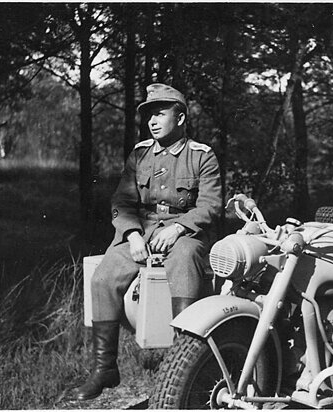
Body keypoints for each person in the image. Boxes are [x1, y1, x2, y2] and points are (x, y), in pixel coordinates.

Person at [71, 83, 222, 401]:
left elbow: (210, 205)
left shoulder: (201, 157)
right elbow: (122, 201)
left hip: (185, 234)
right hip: (144, 230)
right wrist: (132, 233)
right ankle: (105, 368)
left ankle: (184, 365)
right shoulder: (140, 154)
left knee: (184, 264)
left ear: (180, 118)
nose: (152, 120)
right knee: (103, 277)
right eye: (149, 115)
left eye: (160, 113)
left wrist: (179, 228)